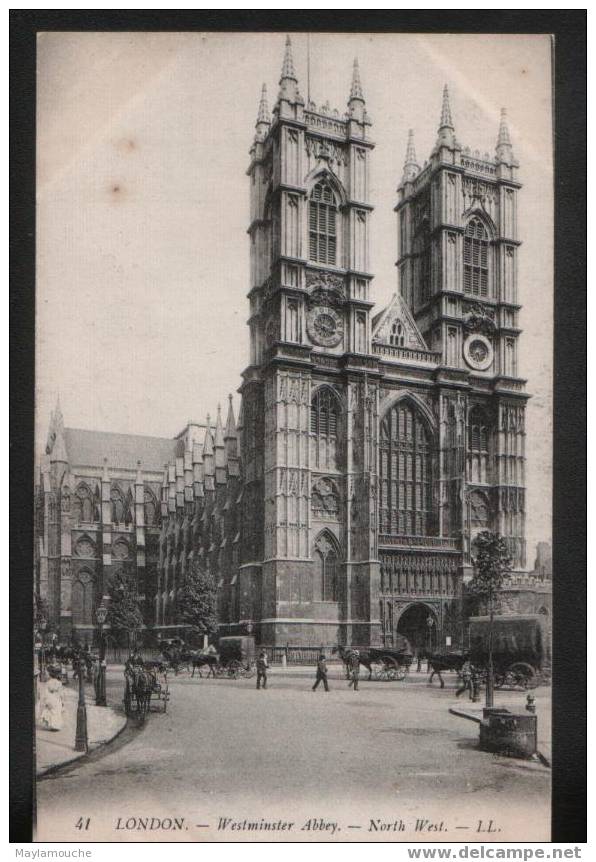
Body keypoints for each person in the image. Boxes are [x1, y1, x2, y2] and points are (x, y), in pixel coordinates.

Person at [39, 666, 65, 731]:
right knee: (57, 712)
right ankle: (57, 726)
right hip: (57, 699)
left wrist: (45, 701)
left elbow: (46, 693)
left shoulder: (48, 683)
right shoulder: (59, 683)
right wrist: (62, 701)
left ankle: (53, 725)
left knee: (51, 712)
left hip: (51, 699)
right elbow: (61, 693)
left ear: (50, 675)